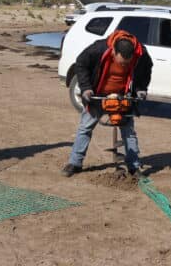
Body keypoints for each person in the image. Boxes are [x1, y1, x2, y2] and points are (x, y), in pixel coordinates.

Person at [61, 30, 153, 178]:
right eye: (120, 62)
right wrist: (85, 88)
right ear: (114, 51)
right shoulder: (99, 49)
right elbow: (80, 63)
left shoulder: (141, 53)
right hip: (98, 95)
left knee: (128, 132)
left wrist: (141, 89)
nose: (123, 65)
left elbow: (146, 70)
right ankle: (75, 163)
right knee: (85, 128)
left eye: (127, 63)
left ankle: (134, 167)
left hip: (123, 96)